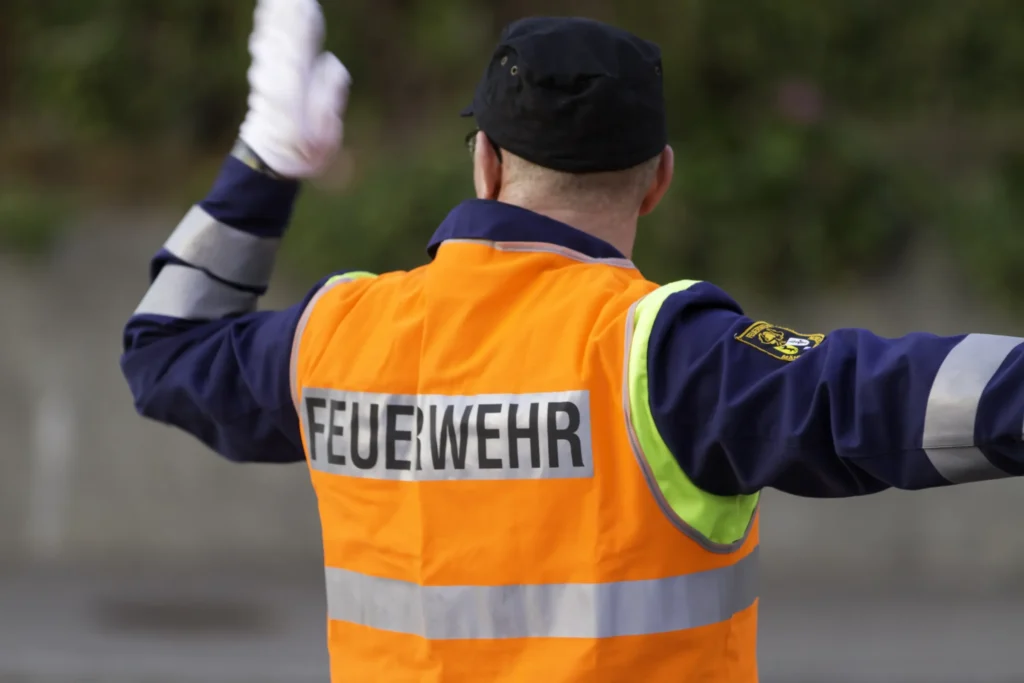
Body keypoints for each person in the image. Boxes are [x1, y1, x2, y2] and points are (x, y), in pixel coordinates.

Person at [120, 1, 1024, 681]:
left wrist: (266, 160)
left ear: (485, 162)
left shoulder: (339, 333)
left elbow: (164, 348)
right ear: (658, 180)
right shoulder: (667, 356)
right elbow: (900, 395)